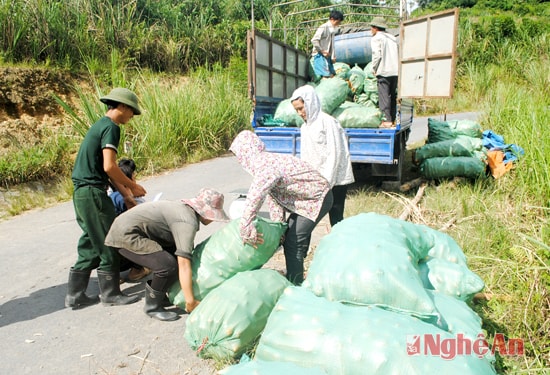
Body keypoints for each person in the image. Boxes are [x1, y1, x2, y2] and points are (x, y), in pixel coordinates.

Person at [65, 87, 147, 310]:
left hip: (82, 193)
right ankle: (110, 294)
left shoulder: (99, 125)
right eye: (131, 111)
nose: (132, 116)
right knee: (110, 238)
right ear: (122, 106)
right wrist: (133, 185)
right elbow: (110, 166)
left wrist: (126, 195)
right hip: (93, 193)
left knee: (91, 241)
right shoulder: (111, 127)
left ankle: (75, 295)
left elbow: (107, 171)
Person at [104, 188, 230, 321]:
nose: (213, 219)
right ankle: (152, 307)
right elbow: (184, 263)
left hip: (131, 229)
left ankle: (162, 295)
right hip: (125, 235)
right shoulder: (187, 221)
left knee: (176, 256)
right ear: (205, 211)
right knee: (168, 266)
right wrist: (190, 301)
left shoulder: (186, 210)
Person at [230, 130, 333, 285]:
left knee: (294, 241)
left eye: (239, 155)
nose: (239, 160)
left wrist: (246, 224)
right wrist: (279, 228)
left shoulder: (264, 164)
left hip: (317, 198)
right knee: (290, 237)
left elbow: (256, 195)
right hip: (305, 202)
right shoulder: (265, 161)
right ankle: (296, 275)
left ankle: (295, 284)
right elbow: (274, 198)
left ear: (246, 152)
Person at [290, 85, 354, 227]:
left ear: (310, 102)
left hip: (335, 179)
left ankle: (338, 245)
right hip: (317, 180)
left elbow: (335, 153)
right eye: (297, 110)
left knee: (336, 217)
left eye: (301, 108)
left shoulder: (328, 122)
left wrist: (327, 182)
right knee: (309, 216)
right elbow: (306, 156)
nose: (300, 113)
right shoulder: (304, 127)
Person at [108, 158, 150, 282]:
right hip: (122, 249)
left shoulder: (111, 197)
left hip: (110, 252)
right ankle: (137, 269)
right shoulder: (123, 199)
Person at [370, 16, 399, 128]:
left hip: (384, 71)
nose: (371, 30)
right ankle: (392, 118)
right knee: (392, 95)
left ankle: (386, 120)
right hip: (395, 71)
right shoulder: (392, 38)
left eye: (371, 27)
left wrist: (374, 69)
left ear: (376, 28)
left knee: (384, 96)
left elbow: (377, 55)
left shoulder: (377, 38)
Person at [311, 10, 344, 79]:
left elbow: (331, 45)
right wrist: (322, 51)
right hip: (320, 55)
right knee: (326, 75)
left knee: (332, 75)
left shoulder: (332, 30)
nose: (339, 24)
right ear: (332, 19)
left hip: (327, 56)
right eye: (338, 21)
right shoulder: (323, 27)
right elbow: (314, 40)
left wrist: (332, 57)